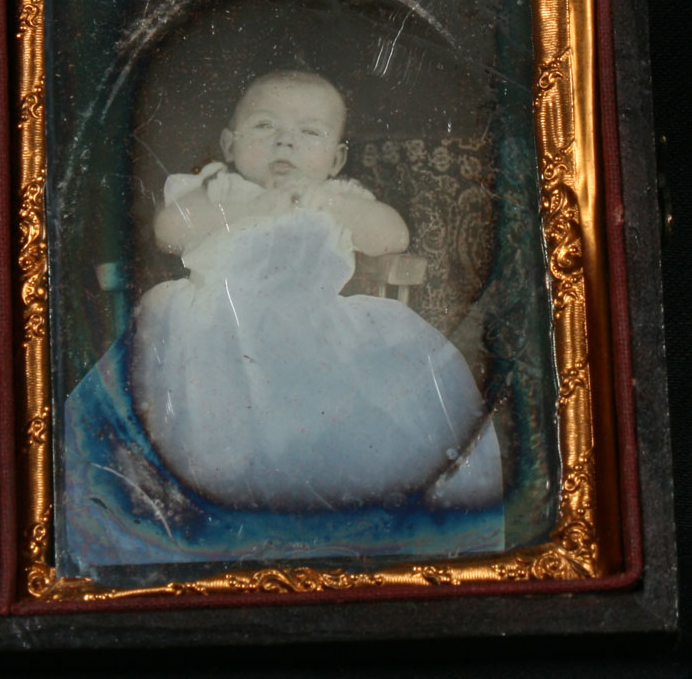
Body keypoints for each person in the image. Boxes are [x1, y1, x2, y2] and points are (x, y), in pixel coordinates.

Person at [131, 70, 502, 512]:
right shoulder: (219, 188)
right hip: (218, 320)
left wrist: (326, 200)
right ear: (229, 145)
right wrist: (250, 206)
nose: (285, 142)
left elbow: (392, 237)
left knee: (370, 396)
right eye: (265, 126)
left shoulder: (336, 196)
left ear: (336, 159)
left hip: (314, 324)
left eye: (309, 133)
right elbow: (169, 231)